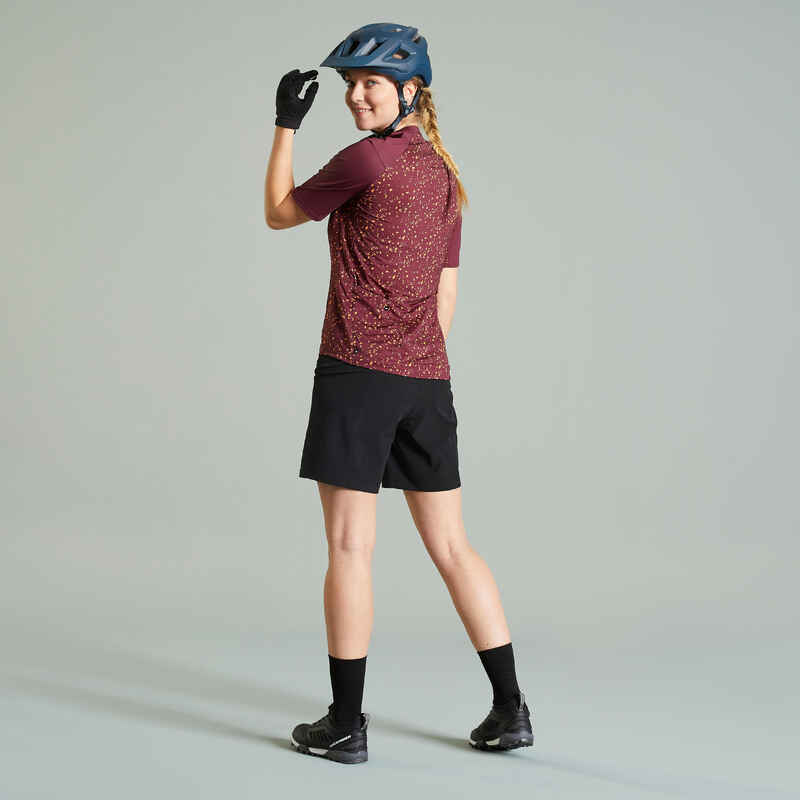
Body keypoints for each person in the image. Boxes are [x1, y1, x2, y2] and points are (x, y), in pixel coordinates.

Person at [264, 22, 533, 765]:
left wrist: (285, 125)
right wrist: (414, 361)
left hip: (356, 374)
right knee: (453, 546)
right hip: (426, 381)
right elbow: (446, 297)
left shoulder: (366, 159)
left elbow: (279, 211)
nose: (356, 97)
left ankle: (345, 725)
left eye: (370, 84)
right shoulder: (443, 175)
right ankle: (511, 710)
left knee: (351, 546)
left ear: (410, 90)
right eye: (350, 85)